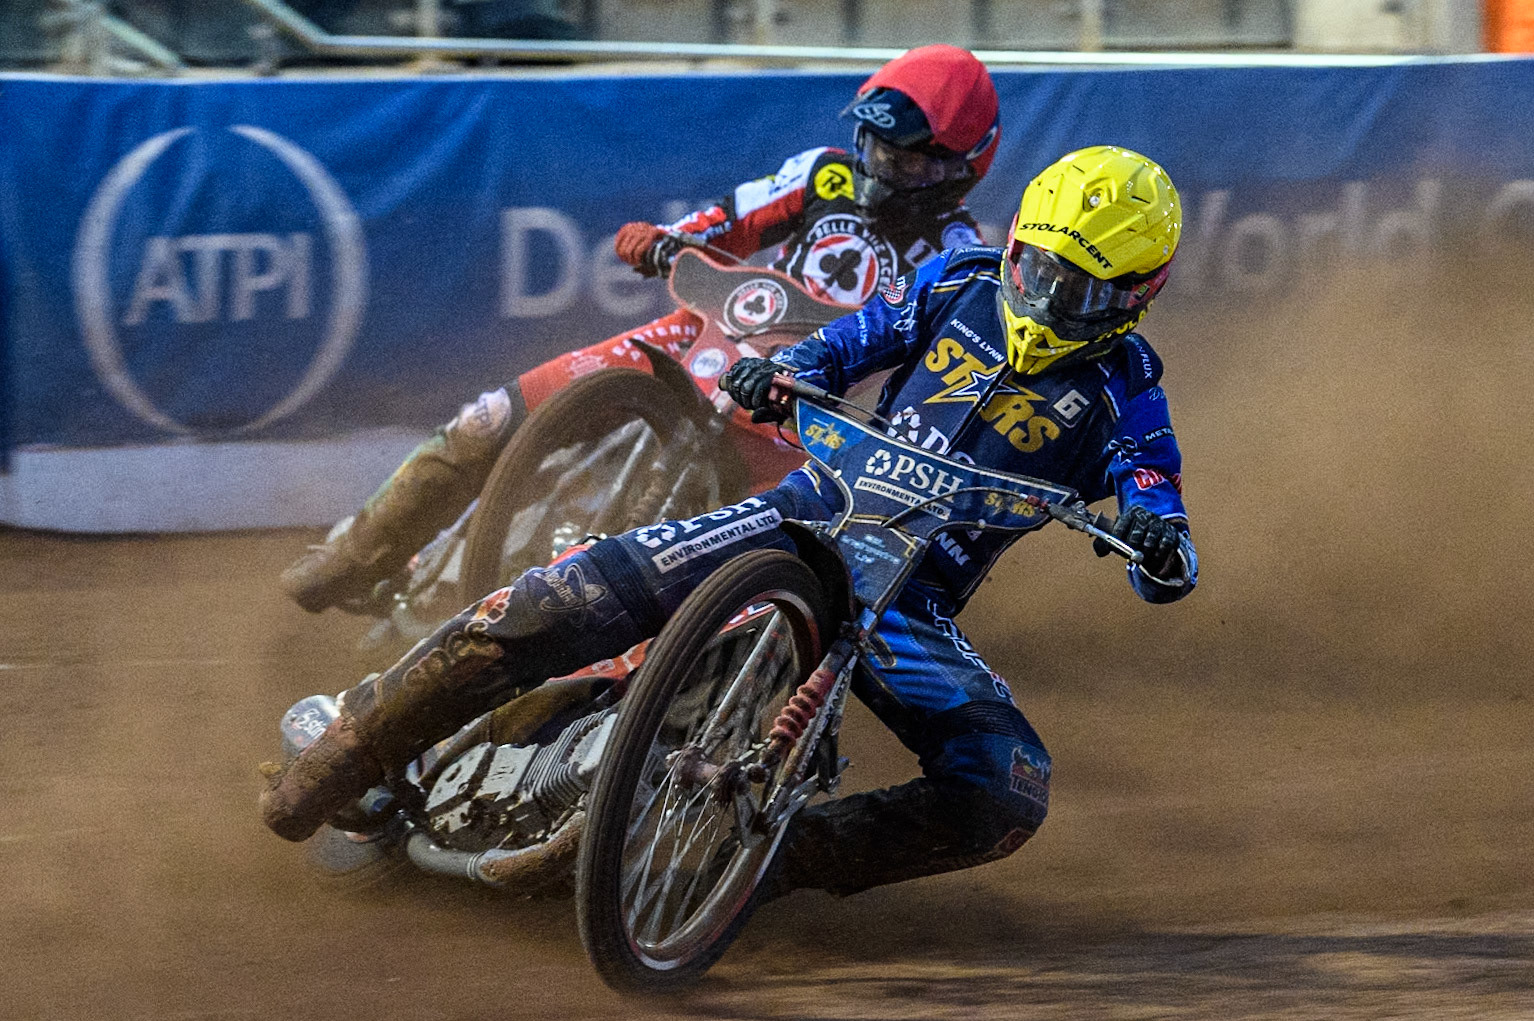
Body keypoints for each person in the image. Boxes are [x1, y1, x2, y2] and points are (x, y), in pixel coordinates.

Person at [261, 145, 1197, 901]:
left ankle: (764, 861)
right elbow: (854, 339)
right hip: (805, 513)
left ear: (1134, 295)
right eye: (1037, 267)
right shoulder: (961, 280)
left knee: (1009, 785)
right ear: (1020, 241)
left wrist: (1161, 545)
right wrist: (787, 374)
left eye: (1078, 290)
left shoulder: (1129, 394)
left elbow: (1159, 505)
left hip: (909, 607)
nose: (1043, 297)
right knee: (568, 590)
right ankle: (355, 746)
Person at [280, 43, 1003, 613]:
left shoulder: (960, 259)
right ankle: (360, 552)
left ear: (959, 168)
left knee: (751, 589)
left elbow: (936, 385)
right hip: (699, 339)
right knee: (491, 418)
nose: (881, 170)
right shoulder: (824, 175)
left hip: (801, 424)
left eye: (906, 160)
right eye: (875, 147)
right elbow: (726, 221)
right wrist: (666, 239)